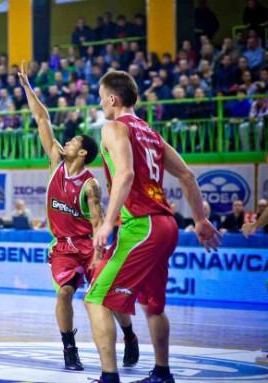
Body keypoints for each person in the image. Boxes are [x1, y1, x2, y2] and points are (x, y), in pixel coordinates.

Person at [84, 71, 221, 383]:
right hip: (166, 226)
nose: (101, 104)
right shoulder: (151, 134)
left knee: (95, 298)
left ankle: (109, 378)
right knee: (153, 306)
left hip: (142, 226)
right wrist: (199, 220)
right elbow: (187, 175)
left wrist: (107, 223)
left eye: (102, 98)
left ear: (112, 99)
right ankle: (162, 372)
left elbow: (126, 174)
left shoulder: (114, 127)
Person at [17, 63, 140, 371]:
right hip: (62, 246)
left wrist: (99, 254)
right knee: (64, 293)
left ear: (83, 153)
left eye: (73, 142)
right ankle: (69, 348)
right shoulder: (56, 162)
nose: (67, 142)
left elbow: (98, 222)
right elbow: (42, 118)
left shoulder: (90, 185)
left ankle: (129, 334)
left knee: (107, 297)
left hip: (88, 245)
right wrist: (27, 88)